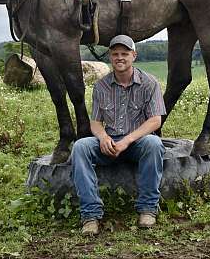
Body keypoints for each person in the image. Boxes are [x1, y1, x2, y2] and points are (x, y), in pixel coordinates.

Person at [71, 35, 166, 235]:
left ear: (134, 56)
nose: (119, 58)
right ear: (110, 58)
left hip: (136, 143)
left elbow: (155, 121)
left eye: (125, 53)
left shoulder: (150, 83)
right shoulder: (101, 86)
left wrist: (127, 141)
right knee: (80, 147)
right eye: (115, 54)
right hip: (109, 143)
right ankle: (90, 215)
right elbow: (95, 122)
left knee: (154, 143)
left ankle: (147, 209)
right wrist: (103, 138)